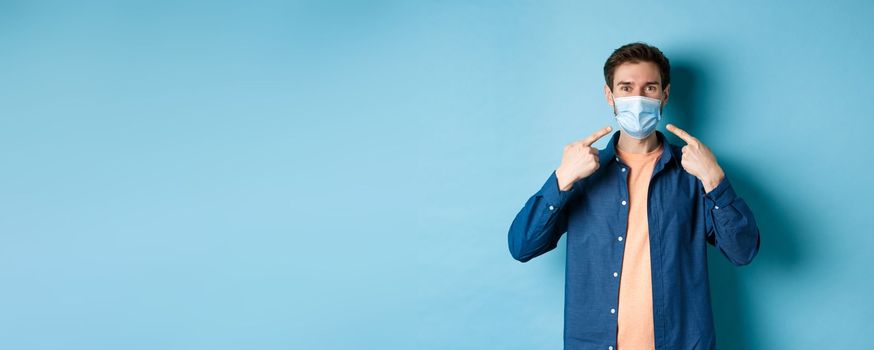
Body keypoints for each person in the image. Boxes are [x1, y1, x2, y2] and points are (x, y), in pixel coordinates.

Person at [507, 42, 760, 350]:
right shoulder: (583, 173)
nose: (637, 99)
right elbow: (522, 246)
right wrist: (562, 179)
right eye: (626, 88)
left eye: (649, 88)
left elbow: (743, 251)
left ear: (664, 95)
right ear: (609, 96)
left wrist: (714, 179)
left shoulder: (693, 173)